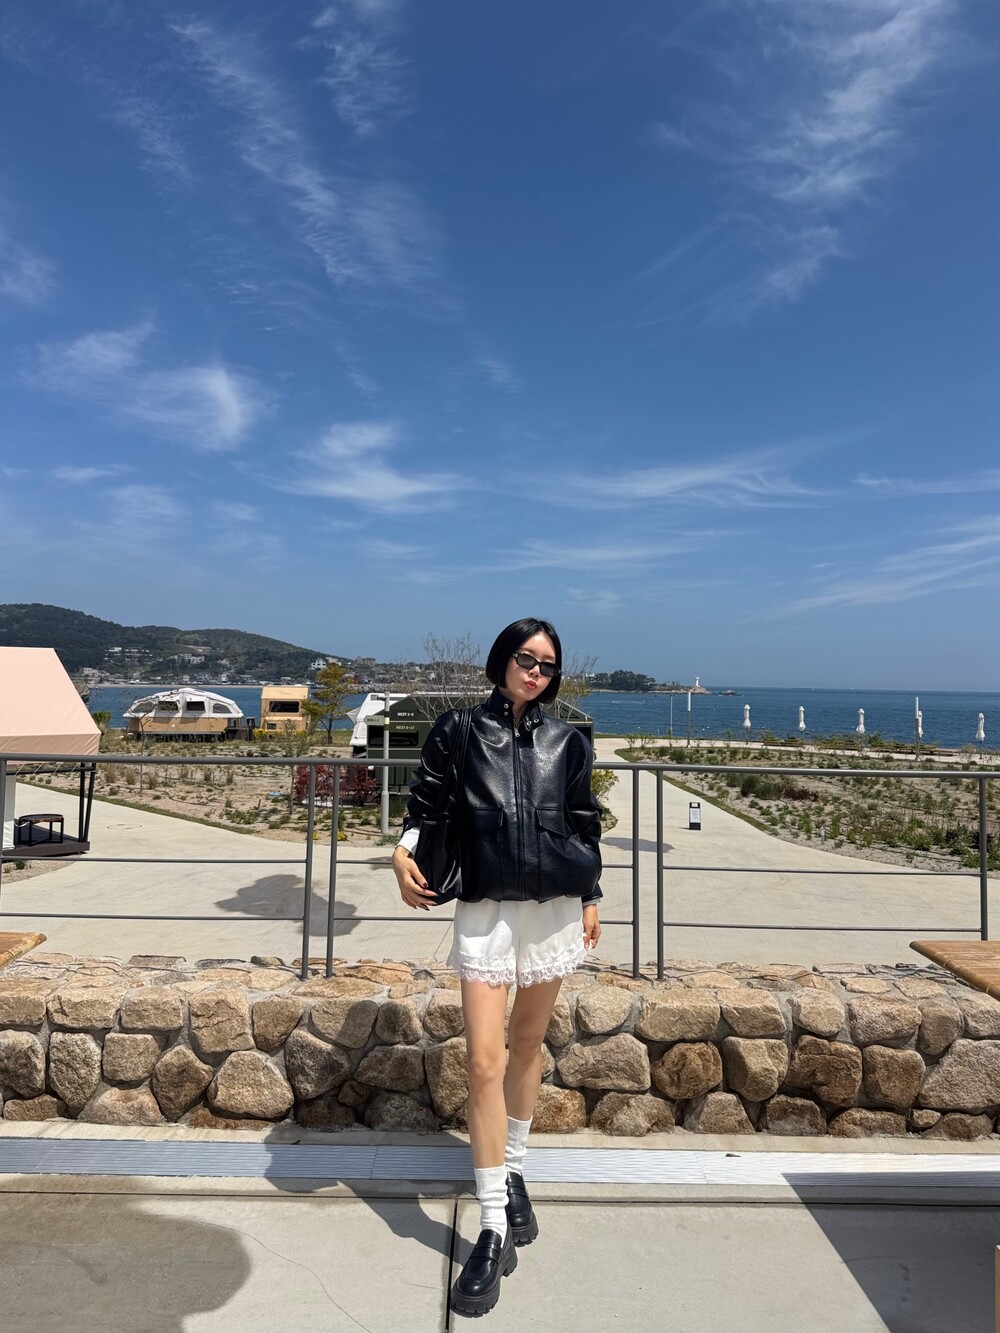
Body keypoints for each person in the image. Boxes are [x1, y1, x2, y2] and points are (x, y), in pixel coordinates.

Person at [391, 617, 602, 1318]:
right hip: (484, 907)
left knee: (528, 1045)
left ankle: (513, 1173)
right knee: (483, 1059)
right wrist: (402, 852)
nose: (535, 671)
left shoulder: (568, 739)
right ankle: (491, 1223)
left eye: (547, 664)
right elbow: (426, 802)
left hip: (554, 906)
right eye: (525, 658)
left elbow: (583, 820)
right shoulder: (458, 729)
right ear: (501, 660)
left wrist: (592, 896)